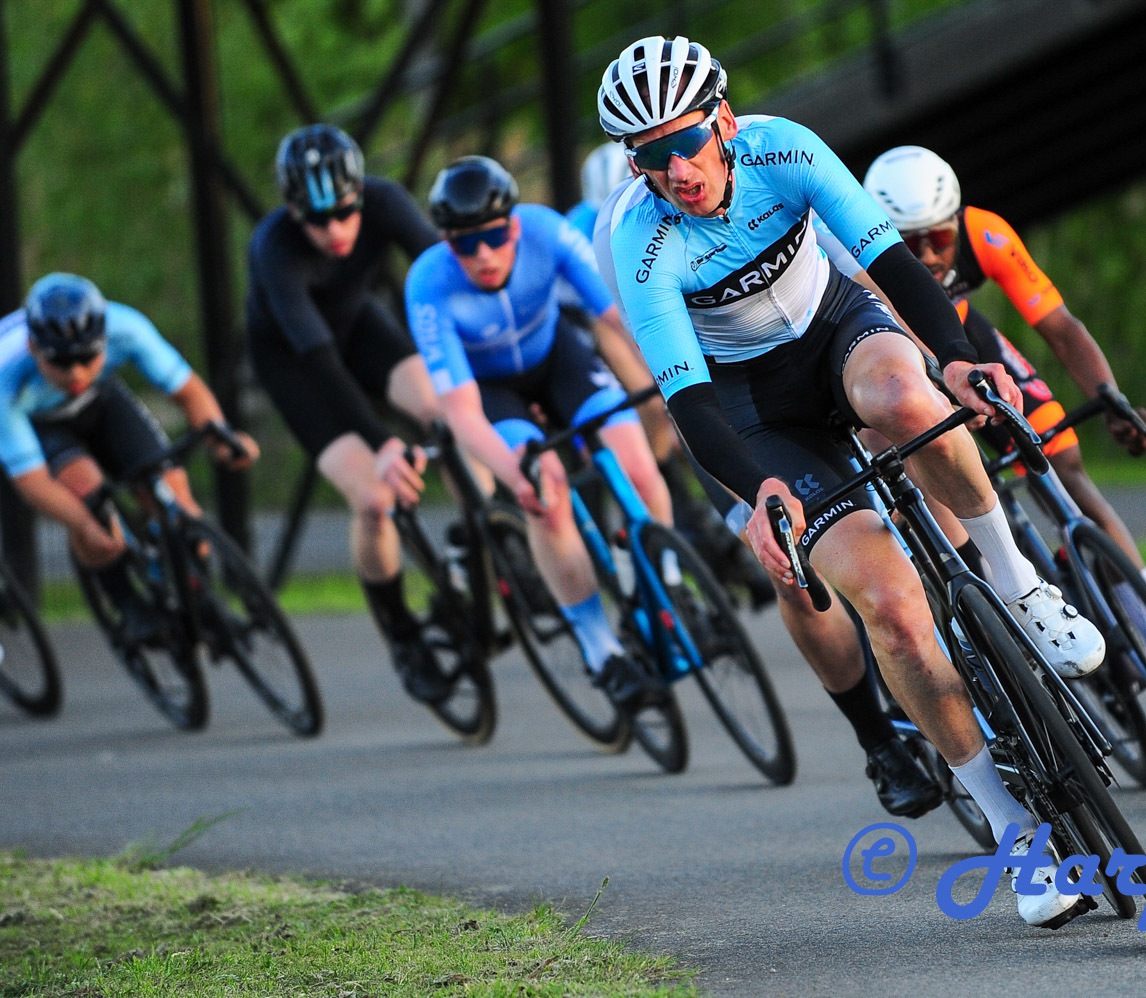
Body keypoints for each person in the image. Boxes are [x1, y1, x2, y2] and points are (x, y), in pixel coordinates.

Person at [597, 35, 1106, 928]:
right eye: (649, 156)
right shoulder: (639, 242)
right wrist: (760, 491)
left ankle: (1017, 582)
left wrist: (956, 358)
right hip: (752, 408)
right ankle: (1013, 830)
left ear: (723, 121)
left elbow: (896, 264)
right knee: (894, 613)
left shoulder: (784, 148)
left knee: (907, 400)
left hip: (837, 328)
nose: (675, 170)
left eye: (686, 142)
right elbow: (691, 405)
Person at [591, 171, 946, 819]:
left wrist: (930, 365)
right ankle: (878, 741)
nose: (678, 178)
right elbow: (650, 361)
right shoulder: (625, 239)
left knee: (912, 424)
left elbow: (863, 276)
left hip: (818, 353)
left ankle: (980, 592)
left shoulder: (767, 175)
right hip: (732, 405)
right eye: (655, 169)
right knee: (795, 574)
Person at [862, 145, 1146, 707]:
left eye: (939, 238)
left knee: (1067, 471)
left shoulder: (985, 233)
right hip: (912, 369)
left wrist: (1110, 399)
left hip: (970, 347)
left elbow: (1060, 326)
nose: (929, 256)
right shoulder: (862, 257)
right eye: (910, 245)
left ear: (957, 222)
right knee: (950, 493)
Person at [405, 154, 672, 713]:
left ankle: (666, 583)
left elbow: (617, 315)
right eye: (465, 244)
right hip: (493, 390)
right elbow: (462, 413)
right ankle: (601, 651)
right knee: (546, 494)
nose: (483, 254)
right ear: (447, 244)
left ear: (515, 225)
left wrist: (675, 372)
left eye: (494, 236)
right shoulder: (428, 284)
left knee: (636, 464)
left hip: (558, 361)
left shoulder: (546, 231)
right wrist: (515, 475)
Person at [245, 123, 448, 704]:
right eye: (318, 220)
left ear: (360, 193)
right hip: (298, 365)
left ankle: (474, 551)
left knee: (445, 418)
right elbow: (319, 361)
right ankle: (403, 636)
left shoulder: (384, 200)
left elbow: (439, 271)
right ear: (292, 212)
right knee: (375, 501)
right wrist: (381, 443)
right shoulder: (273, 249)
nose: (335, 230)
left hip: (358, 326)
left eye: (344, 212)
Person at [0, 274, 258, 641]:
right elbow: (33, 483)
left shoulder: (127, 328)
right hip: (38, 422)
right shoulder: (5, 376)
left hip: (102, 401)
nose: (76, 373)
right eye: (61, 361)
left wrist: (221, 439)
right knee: (88, 500)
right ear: (33, 348)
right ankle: (128, 605)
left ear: (104, 341)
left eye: (87, 357)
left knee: (174, 494)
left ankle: (203, 601)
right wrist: (83, 523)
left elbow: (189, 393)